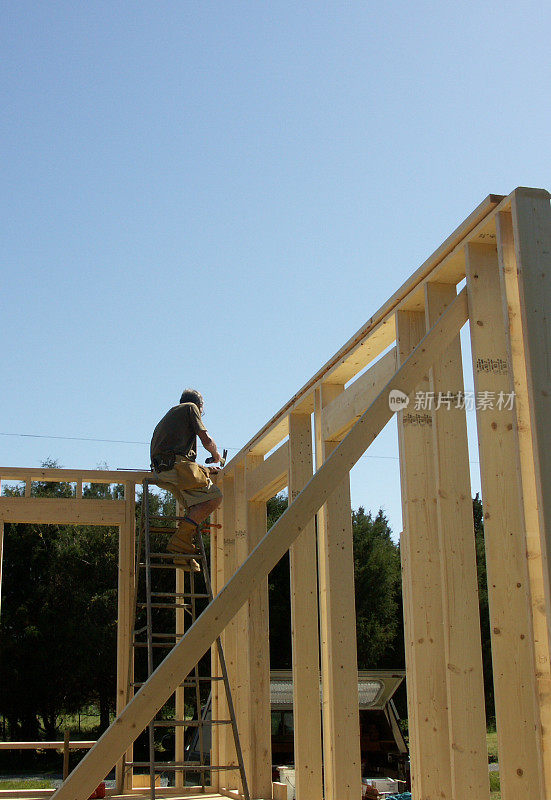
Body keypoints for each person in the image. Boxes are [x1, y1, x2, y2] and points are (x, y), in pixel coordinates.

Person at [150, 388, 223, 569]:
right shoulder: (190, 408)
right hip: (175, 466)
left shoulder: (172, 416)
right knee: (214, 497)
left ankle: (182, 553)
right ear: (199, 405)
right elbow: (206, 439)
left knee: (195, 508)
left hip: (164, 469)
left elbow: (179, 457)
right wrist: (216, 455)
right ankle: (179, 541)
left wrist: (204, 469)